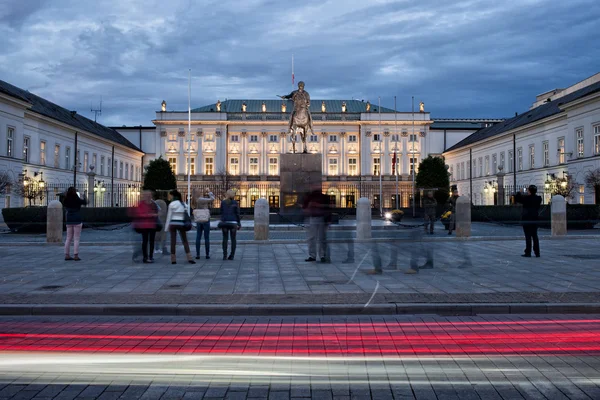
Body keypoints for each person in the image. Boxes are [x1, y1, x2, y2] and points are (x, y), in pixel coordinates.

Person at [164, 190, 195, 265]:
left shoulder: (172, 204)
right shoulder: (183, 204)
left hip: (173, 223)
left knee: (173, 241)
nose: (169, 197)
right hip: (181, 223)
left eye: (170, 195)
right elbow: (187, 214)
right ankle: (189, 257)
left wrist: (166, 227)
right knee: (184, 240)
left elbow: (169, 216)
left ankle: (173, 259)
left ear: (173, 196)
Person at [302, 185, 330, 263]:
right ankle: (313, 255)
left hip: (321, 218)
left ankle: (322, 255)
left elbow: (328, 208)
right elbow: (304, 207)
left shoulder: (323, 197)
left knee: (321, 238)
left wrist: (318, 206)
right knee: (312, 238)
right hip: (312, 218)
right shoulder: (310, 196)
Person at [132, 190, 159, 264]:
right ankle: (145, 257)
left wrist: (156, 214)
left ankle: (151, 256)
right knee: (145, 241)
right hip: (144, 225)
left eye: (149, 195)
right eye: (147, 195)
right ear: (144, 196)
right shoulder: (141, 204)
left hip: (152, 225)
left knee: (152, 241)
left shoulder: (154, 204)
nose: (148, 196)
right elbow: (139, 214)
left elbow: (157, 211)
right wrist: (149, 215)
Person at [515, 185, 542, 258]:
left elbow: (517, 199)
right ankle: (537, 252)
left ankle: (528, 252)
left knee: (528, 236)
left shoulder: (526, 198)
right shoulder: (538, 198)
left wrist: (519, 192)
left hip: (527, 219)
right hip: (535, 219)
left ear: (529, 191)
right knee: (535, 236)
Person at [62, 187, 87, 261]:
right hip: (77, 219)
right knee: (76, 238)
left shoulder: (65, 200)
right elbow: (85, 202)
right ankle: (76, 255)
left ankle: (67, 254)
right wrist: (84, 196)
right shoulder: (77, 199)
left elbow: (64, 204)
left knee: (68, 238)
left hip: (69, 219)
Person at [219, 189, 241, 260]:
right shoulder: (235, 203)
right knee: (233, 239)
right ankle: (232, 255)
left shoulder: (223, 202)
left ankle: (224, 255)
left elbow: (221, 212)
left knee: (225, 238)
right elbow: (237, 213)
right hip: (233, 222)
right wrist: (239, 223)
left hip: (225, 222)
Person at [194, 190, 215, 260]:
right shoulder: (201, 199)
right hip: (205, 218)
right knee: (206, 237)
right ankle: (207, 254)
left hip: (199, 218)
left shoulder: (194, 200)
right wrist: (210, 193)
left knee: (198, 236)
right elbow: (212, 199)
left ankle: (198, 254)